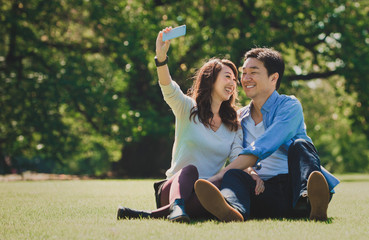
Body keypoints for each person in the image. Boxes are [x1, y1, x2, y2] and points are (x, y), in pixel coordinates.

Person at [117, 27, 249, 222]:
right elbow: (168, 88)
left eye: (234, 79)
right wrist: (161, 59)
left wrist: (252, 173)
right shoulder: (188, 108)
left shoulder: (234, 125)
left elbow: (237, 160)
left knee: (220, 183)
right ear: (211, 80)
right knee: (190, 170)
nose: (233, 83)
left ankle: (148, 215)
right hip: (174, 187)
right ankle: (176, 206)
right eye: (227, 76)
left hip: (204, 192)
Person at [194, 47, 340, 222]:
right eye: (244, 73)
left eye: (253, 72)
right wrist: (249, 173)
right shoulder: (240, 117)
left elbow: (265, 144)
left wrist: (218, 176)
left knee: (300, 145)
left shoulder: (289, 106)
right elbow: (237, 154)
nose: (245, 79)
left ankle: (310, 202)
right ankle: (233, 210)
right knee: (234, 174)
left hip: (292, 189)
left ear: (273, 78)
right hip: (262, 191)